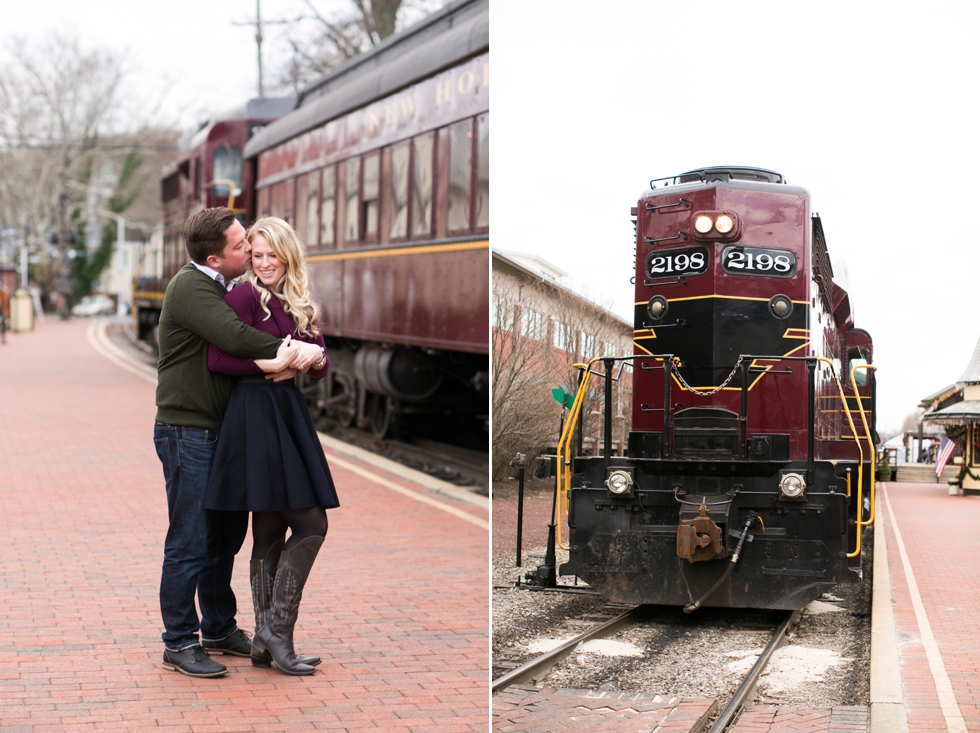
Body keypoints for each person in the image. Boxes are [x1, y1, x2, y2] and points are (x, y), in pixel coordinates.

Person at [154, 207, 323, 678]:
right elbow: (231, 340)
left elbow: (280, 336)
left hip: (221, 429)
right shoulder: (192, 287)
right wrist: (288, 354)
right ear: (216, 256)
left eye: (259, 248)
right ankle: (179, 641)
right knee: (190, 540)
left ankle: (220, 627)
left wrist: (312, 351)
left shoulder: (225, 286)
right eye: (243, 246)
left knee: (224, 538)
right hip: (188, 428)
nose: (250, 252)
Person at [204, 216, 340, 676]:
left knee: (268, 531)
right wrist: (271, 363)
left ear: (287, 256)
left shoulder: (298, 299)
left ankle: (266, 641)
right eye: (256, 255)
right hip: (255, 415)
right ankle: (278, 633)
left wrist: (312, 357)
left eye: (271, 256)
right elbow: (218, 357)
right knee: (311, 523)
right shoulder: (242, 296)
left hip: (285, 413)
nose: (263, 263)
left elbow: (321, 360)